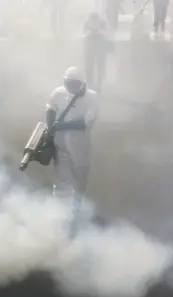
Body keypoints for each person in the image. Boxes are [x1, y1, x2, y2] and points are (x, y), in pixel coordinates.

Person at [46, 67, 100, 213]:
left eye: (73, 84)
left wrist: (63, 125)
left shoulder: (92, 97)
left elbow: (87, 122)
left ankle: (78, 210)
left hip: (80, 145)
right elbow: (50, 108)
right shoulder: (58, 93)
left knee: (80, 179)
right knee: (61, 179)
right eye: (67, 83)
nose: (69, 86)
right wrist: (50, 127)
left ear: (81, 83)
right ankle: (58, 210)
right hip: (60, 143)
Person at [82, 12, 112, 90]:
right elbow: (83, 33)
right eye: (92, 21)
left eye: (95, 21)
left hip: (100, 46)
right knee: (89, 66)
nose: (94, 23)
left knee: (100, 66)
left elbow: (108, 34)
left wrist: (99, 32)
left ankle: (100, 84)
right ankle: (89, 84)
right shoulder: (86, 24)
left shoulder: (103, 23)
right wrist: (90, 32)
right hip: (90, 46)